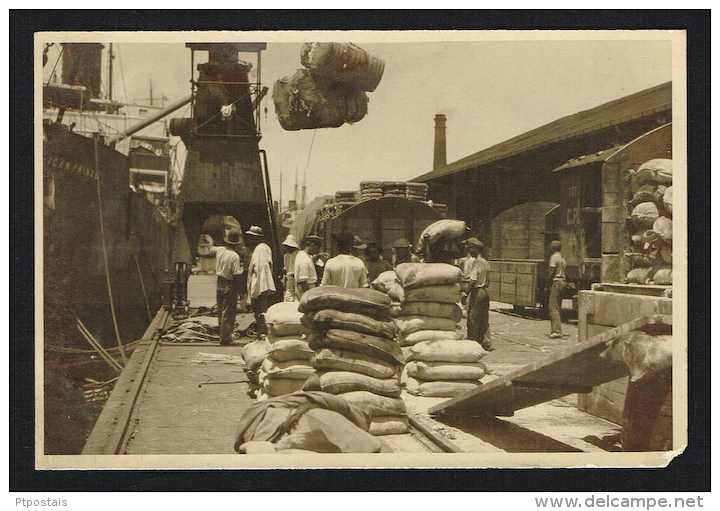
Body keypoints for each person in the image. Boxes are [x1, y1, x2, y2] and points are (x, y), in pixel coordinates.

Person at [205, 229, 245, 345]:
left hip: (219, 283)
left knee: (220, 310)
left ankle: (222, 334)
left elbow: (211, 248)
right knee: (228, 312)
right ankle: (225, 338)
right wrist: (241, 292)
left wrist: (210, 240)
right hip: (229, 284)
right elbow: (237, 275)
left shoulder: (220, 250)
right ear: (236, 244)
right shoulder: (234, 256)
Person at [245, 226, 276, 338]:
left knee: (261, 310)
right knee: (258, 311)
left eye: (252, 237)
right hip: (258, 284)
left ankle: (263, 332)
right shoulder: (258, 249)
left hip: (260, 285)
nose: (250, 240)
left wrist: (260, 288)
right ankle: (261, 331)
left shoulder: (261, 248)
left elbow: (262, 269)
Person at [465, 238, 493, 351]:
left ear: (476, 249)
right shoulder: (486, 263)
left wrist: (465, 293)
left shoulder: (476, 262)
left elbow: (473, 279)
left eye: (471, 249)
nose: (470, 251)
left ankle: (473, 341)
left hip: (477, 291)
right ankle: (486, 342)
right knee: (484, 318)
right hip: (485, 292)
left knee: (473, 317)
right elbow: (488, 281)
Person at [546, 240, 567, 339]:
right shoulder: (562, 258)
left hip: (556, 282)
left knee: (553, 307)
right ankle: (557, 329)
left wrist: (547, 284)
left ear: (553, 248)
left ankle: (556, 331)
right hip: (563, 281)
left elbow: (551, 271)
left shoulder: (554, 257)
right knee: (557, 307)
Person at [295, 234, 322, 299]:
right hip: (307, 290)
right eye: (317, 248)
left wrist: (318, 257)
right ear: (312, 245)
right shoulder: (304, 259)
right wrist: (308, 296)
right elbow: (303, 281)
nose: (318, 251)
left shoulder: (303, 255)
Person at [281, 234, 300, 302]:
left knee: (298, 296)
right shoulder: (286, 256)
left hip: (297, 278)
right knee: (288, 296)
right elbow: (286, 268)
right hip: (289, 278)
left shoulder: (299, 254)